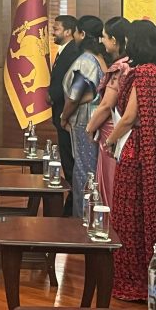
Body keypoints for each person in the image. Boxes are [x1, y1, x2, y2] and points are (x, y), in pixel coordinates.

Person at [104, 19, 156, 301]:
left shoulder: (143, 73)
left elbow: (128, 118)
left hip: (137, 151)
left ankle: (133, 280)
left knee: (129, 216)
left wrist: (110, 141)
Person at [61, 15, 105, 217]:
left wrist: (64, 116)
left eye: (77, 32)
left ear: (83, 34)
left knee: (83, 170)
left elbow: (74, 96)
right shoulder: (101, 58)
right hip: (98, 120)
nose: (75, 37)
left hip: (84, 121)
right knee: (94, 169)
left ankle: (82, 219)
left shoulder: (85, 61)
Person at [85, 16, 132, 207]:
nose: (101, 41)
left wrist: (90, 127)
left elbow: (106, 105)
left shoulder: (120, 67)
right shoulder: (134, 63)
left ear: (114, 40)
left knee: (109, 182)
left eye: (104, 37)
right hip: (127, 131)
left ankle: (108, 222)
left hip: (113, 131)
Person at [47, 15, 80, 215]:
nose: (53, 32)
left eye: (56, 28)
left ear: (68, 31)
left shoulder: (73, 53)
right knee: (66, 159)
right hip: (60, 112)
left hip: (67, 115)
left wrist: (53, 96)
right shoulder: (63, 51)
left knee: (69, 160)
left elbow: (69, 85)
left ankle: (73, 203)